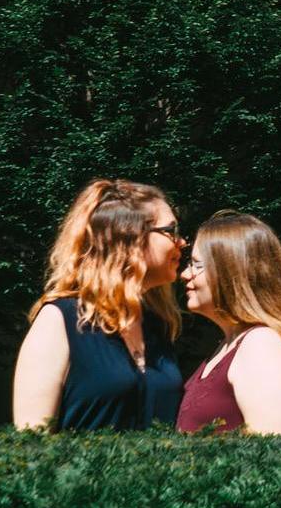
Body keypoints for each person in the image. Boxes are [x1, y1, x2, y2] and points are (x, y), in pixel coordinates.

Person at [10, 177, 188, 431]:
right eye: (171, 231)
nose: (182, 242)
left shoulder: (157, 326)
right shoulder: (59, 319)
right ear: (131, 237)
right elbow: (31, 444)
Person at [176, 211, 281, 437]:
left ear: (232, 272)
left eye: (197, 265)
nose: (185, 275)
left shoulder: (264, 345)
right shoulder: (230, 344)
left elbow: (270, 459)